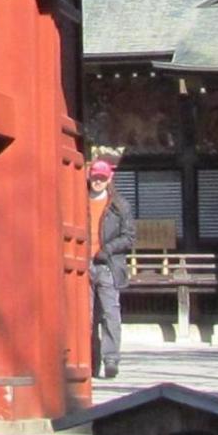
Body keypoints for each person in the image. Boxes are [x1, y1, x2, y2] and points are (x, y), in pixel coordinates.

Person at [91, 156, 131, 384]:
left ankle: (111, 359)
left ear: (109, 179)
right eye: (95, 177)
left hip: (107, 265)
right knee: (86, 317)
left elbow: (129, 236)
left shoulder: (119, 206)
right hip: (84, 264)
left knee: (109, 314)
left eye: (102, 178)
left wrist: (108, 250)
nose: (98, 182)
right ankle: (90, 360)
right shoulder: (78, 201)